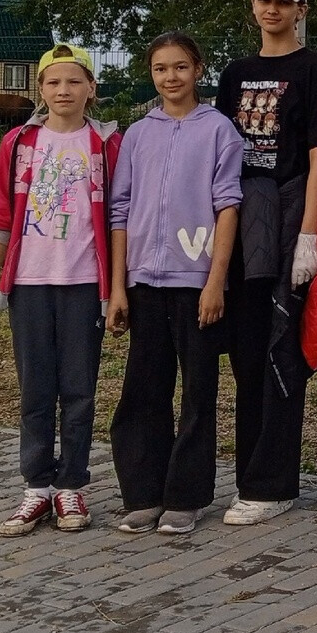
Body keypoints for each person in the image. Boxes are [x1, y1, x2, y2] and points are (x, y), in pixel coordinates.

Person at [0, 44, 122, 536]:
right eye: (53, 82)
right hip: (29, 286)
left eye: (74, 81)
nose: (63, 91)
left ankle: (71, 486)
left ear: (91, 88)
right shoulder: (17, 143)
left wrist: (118, 289)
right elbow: (1, 221)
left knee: (78, 390)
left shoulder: (106, 145)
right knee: (36, 389)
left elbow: (119, 221)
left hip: (84, 287)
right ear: (40, 89)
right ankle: (36, 488)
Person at [104, 32, 244, 536]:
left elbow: (228, 205)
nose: (171, 77)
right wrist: (119, 287)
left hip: (196, 283)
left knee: (197, 392)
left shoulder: (219, 131)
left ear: (199, 69)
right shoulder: (138, 135)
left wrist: (215, 281)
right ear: (152, 74)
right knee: (144, 390)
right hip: (144, 282)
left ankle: (186, 496)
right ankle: (143, 494)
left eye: (180, 66)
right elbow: (119, 209)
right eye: (161, 68)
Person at [214, 0, 317, 526]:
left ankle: (275, 482)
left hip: (289, 219)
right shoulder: (235, 73)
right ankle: (249, 477)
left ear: (301, 10)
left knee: (280, 346)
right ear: (252, 4)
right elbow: (220, 158)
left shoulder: (315, 70)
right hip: (242, 224)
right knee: (245, 351)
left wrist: (308, 235)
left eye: (284, 2)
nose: (273, 10)